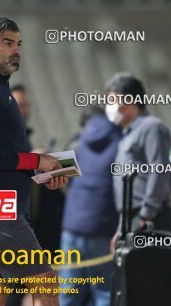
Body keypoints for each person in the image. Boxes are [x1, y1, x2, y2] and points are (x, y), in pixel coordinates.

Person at [0, 16, 68, 306]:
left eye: (18, 43)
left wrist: (43, 173)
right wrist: (35, 160)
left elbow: (4, 159)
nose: (16, 49)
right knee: (44, 280)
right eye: (7, 43)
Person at [5, 85, 65, 306]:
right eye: (19, 105)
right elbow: (0, 168)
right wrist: (34, 159)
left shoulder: (21, 137)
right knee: (8, 295)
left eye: (26, 105)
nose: (25, 111)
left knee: (42, 293)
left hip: (34, 228)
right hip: (9, 228)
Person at [106, 73, 171, 254]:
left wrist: (146, 214)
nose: (110, 106)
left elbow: (159, 170)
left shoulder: (152, 127)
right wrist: (122, 228)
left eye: (113, 100)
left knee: (152, 279)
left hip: (152, 218)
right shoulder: (127, 133)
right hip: (131, 217)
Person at [60, 107, 121, 306]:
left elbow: (58, 176)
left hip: (73, 225)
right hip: (102, 226)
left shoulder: (79, 142)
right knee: (103, 292)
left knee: (69, 291)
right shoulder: (120, 141)